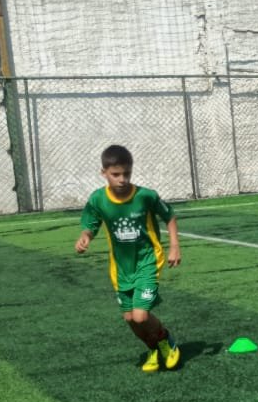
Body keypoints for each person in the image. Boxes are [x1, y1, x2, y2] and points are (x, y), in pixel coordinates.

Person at [75, 144, 182, 372]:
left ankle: (165, 339)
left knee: (141, 316)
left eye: (127, 174)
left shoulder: (145, 196)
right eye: (116, 175)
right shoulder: (98, 199)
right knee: (129, 319)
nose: (122, 179)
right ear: (103, 172)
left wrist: (174, 246)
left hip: (147, 261)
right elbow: (90, 224)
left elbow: (169, 216)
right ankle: (152, 348)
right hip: (121, 268)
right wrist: (85, 236)